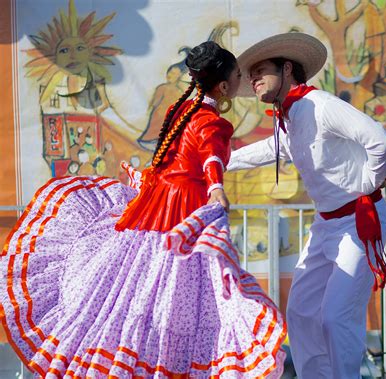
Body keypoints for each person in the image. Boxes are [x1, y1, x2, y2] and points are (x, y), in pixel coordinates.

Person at [0, 41, 286, 378]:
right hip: (183, 209)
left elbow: (178, 157)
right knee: (177, 293)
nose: (241, 80)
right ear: (224, 86)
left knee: (134, 288)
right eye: (238, 75)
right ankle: (162, 365)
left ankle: (128, 362)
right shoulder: (213, 121)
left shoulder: (180, 111)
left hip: (152, 204)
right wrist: (216, 187)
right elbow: (210, 156)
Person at [227, 33, 386, 379]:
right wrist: (219, 162)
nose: (254, 78)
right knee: (302, 313)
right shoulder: (288, 116)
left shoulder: (321, 105)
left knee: (336, 316)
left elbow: (381, 141)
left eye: (261, 70)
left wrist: (369, 181)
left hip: (358, 221)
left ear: (287, 68)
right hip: (326, 225)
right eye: (251, 74)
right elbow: (270, 150)